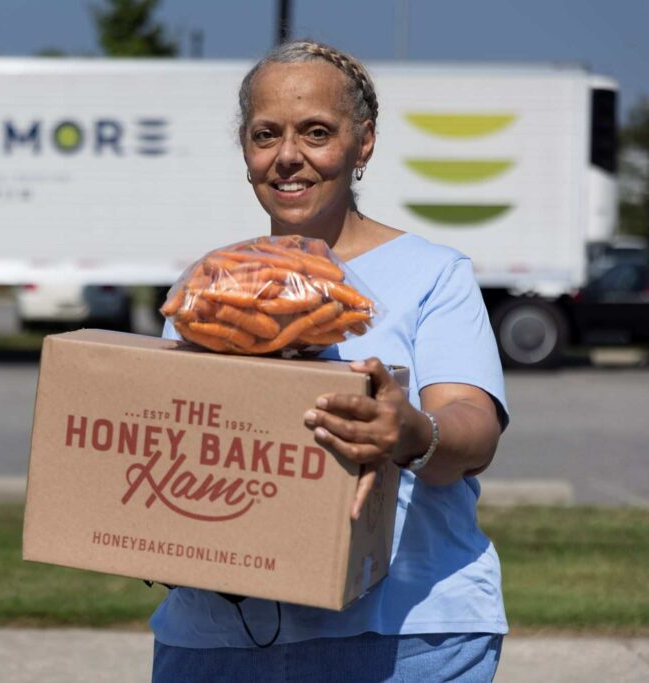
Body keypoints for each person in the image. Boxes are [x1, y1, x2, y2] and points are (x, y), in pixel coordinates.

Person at [152, 40, 508, 682]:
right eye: (267, 135)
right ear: (245, 148)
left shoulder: (432, 274)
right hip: (219, 643)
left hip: (405, 637)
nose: (288, 156)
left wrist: (410, 432)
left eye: (316, 132)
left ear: (362, 143)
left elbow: (473, 428)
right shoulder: (211, 285)